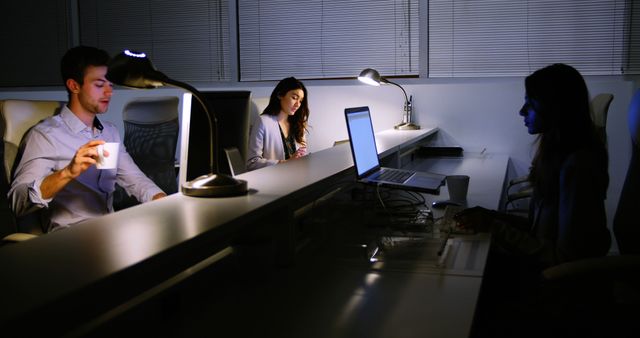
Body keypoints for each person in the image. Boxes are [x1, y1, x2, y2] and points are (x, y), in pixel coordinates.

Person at [455, 63, 611, 337]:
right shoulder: (558, 153)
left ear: (555, 108)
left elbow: (562, 258)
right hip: (545, 270)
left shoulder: (578, 166)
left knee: (465, 283)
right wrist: (490, 216)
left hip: (557, 288)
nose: (522, 112)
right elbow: (538, 228)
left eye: (531, 104)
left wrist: (493, 227)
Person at [9, 46, 166, 232]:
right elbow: (18, 202)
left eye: (110, 85)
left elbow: (135, 180)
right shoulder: (45, 136)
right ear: (74, 85)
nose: (109, 92)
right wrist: (67, 173)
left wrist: (166, 202)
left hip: (110, 231)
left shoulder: (109, 133)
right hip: (71, 240)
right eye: (99, 85)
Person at [247, 77, 310, 171]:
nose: (298, 104)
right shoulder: (263, 122)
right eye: (294, 98)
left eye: (300, 101)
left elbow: (301, 156)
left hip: (297, 176)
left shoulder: (299, 124)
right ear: (280, 95)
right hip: (274, 179)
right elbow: (252, 163)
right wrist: (286, 163)